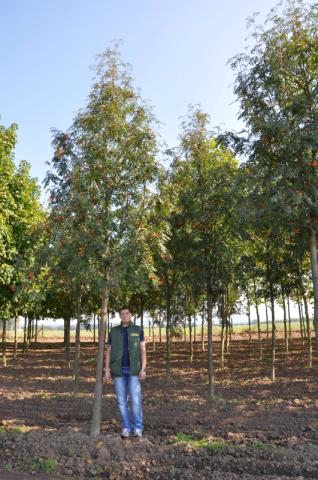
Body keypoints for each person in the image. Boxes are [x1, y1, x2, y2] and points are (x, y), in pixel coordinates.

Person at [103, 306, 146, 439]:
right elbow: (109, 351)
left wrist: (143, 368)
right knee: (122, 401)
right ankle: (126, 428)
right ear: (120, 316)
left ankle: (137, 428)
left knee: (135, 400)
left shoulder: (138, 330)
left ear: (131, 315)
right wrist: (106, 370)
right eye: (122, 313)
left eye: (127, 313)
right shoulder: (114, 331)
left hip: (134, 370)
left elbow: (143, 350)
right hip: (118, 371)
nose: (125, 315)